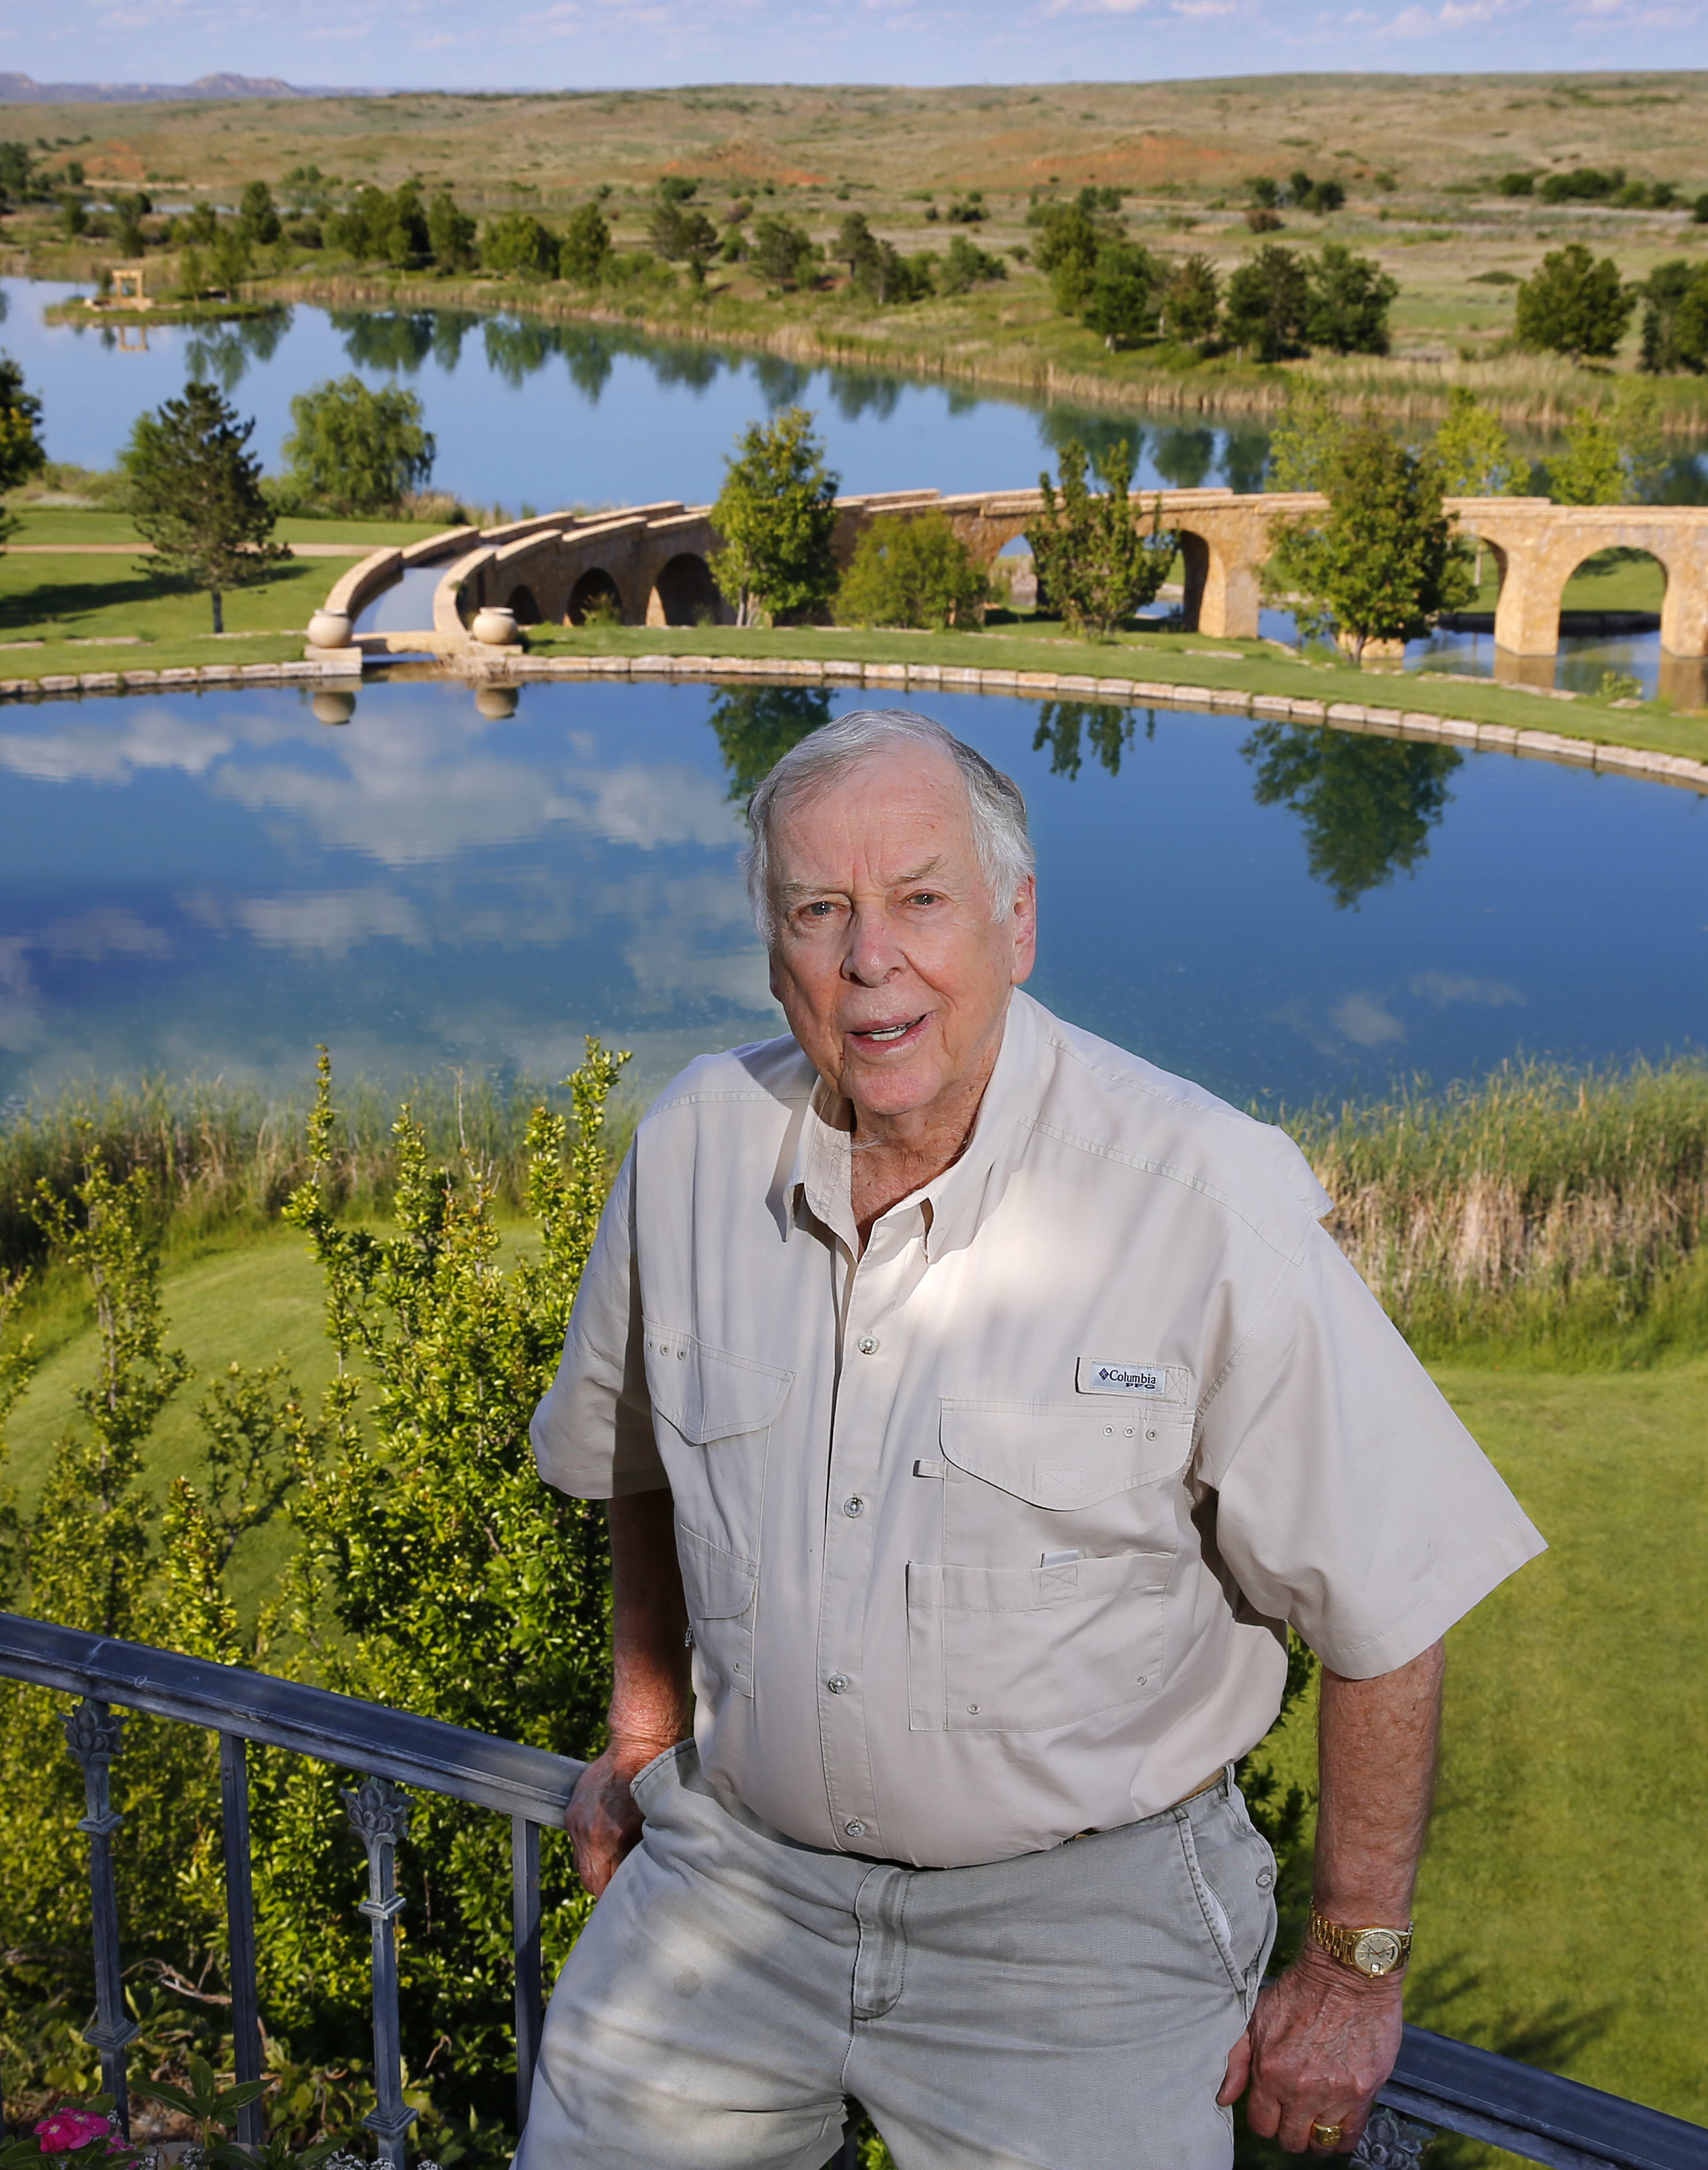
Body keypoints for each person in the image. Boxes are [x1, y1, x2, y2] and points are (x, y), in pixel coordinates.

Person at [522, 709, 1544, 2170]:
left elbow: (1393, 1596)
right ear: (774, 949)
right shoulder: (693, 1147)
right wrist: (644, 1730)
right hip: (735, 1892)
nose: (872, 958)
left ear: (1018, 921)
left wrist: (1354, 1965)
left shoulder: (1200, 1194)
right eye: (822, 910)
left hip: (1085, 1951)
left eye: (921, 900)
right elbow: (636, 1468)